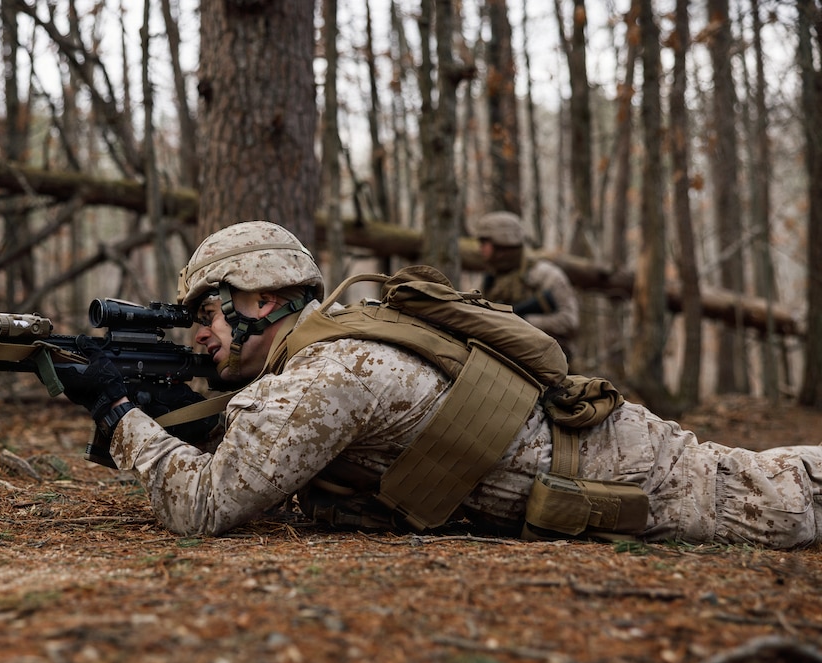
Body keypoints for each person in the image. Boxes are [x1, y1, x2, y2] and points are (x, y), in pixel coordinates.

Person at [70, 220, 822, 550]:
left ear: (260, 297)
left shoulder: (319, 377)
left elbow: (203, 506)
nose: (200, 334)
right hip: (602, 454)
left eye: (207, 312)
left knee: (781, 500)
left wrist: (122, 412)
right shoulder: (334, 344)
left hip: (624, 476)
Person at [475, 211, 580, 361]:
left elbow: (569, 321)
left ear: (502, 244)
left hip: (549, 363)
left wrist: (524, 322)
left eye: (484, 243)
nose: (480, 248)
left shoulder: (546, 275)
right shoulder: (490, 280)